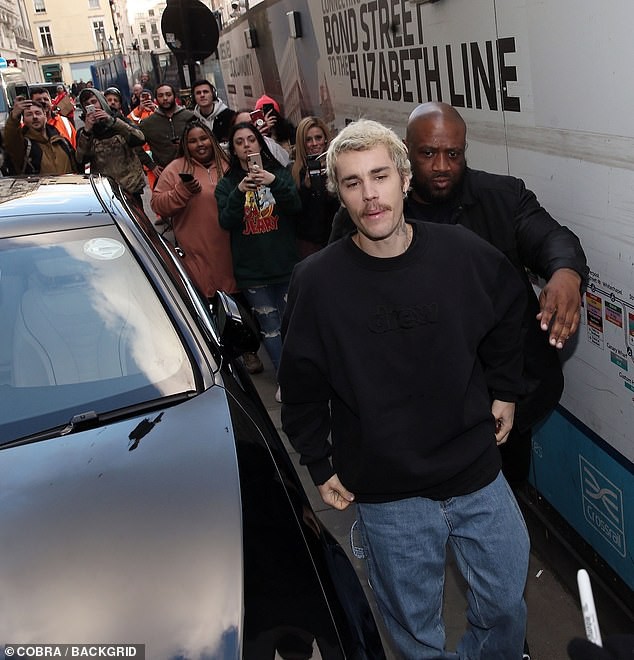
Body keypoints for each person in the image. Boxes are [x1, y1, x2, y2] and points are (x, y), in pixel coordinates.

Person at [278, 118, 530, 659]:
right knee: (416, 635)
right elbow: (300, 383)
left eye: (380, 176)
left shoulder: (461, 253)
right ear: (339, 194)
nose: (370, 195)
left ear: (404, 179)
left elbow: (512, 310)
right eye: (352, 182)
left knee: (506, 609)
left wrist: (505, 389)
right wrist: (318, 462)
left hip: (476, 475)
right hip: (388, 495)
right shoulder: (317, 282)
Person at [331, 102, 588, 489]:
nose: (441, 166)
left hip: (499, 399)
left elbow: (553, 238)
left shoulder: (501, 196)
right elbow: (339, 302)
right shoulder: (373, 214)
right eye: (428, 153)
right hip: (413, 411)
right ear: (406, 152)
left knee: (502, 497)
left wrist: (566, 273)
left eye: (453, 154)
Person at [215, 121, 301, 397]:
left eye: (251, 140)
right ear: (233, 149)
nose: (246, 146)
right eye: (239, 142)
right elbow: (225, 221)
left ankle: (303, 376)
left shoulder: (279, 173)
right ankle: (286, 380)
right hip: (252, 272)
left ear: (260, 143)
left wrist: (273, 182)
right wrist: (240, 192)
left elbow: (295, 205)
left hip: (285, 265)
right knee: (270, 329)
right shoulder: (227, 184)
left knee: (293, 325)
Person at [150, 120, 236, 298]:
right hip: (198, 261)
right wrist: (182, 191)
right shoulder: (175, 169)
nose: (200, 144)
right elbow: (157, 204)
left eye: (203, 138)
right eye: (193, 141)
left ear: (212, 139)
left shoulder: (229, 165)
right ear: (185, 145)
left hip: (234, 257)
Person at [76, 88, 146, 203]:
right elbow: (80, 160)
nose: (91, 106)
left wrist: (113, 122)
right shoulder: (84, 133)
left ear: (101, 102)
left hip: (131, 188)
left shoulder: (120, 120)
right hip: (105, 191)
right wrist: (87, 132)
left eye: (94, 102)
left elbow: (140, 139)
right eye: (87, 104)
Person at [291, 116, 340, 257]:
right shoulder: (294, 172)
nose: (314, 144)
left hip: (335, 239)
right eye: (308, 139)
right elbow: (294, 211)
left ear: (325, 139)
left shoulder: (337, 167)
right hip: (309, 244)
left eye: (318, 138)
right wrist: (306, 187)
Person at [3, 98, 76, 174]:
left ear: (45, 116)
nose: (34, 117)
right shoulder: (23, 145)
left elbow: (77, 165)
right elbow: (11, 139)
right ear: (23, 120)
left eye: (38, 113)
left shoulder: (61, 141)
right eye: (29, 114)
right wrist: (14, 117)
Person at [139, 83, 195, 178]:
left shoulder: (189, 117)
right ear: (156, 99)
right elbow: (135, 145)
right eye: (160, 96)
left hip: (192, 169)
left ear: (174, 96)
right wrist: (151, 165)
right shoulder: (148, 123)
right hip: (165, 174)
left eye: (168, 95)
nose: (165, 98)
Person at [191, 79, 236, 144]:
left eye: (206, 92)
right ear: (194, 97)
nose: (202, 95)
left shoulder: (230, 116)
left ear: (213, 94)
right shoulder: (192, 122)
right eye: (198, 93)